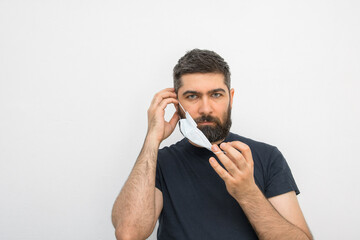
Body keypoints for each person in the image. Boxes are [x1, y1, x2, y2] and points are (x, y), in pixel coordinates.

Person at [111, 49, 313, 240]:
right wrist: (152, 139)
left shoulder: (267, 157)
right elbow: (129, 234)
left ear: (230, 98)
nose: (205, 108)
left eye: (216, 94)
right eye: (192, 96)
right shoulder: (159, 162)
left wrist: (248, 193)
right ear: (176, 102)